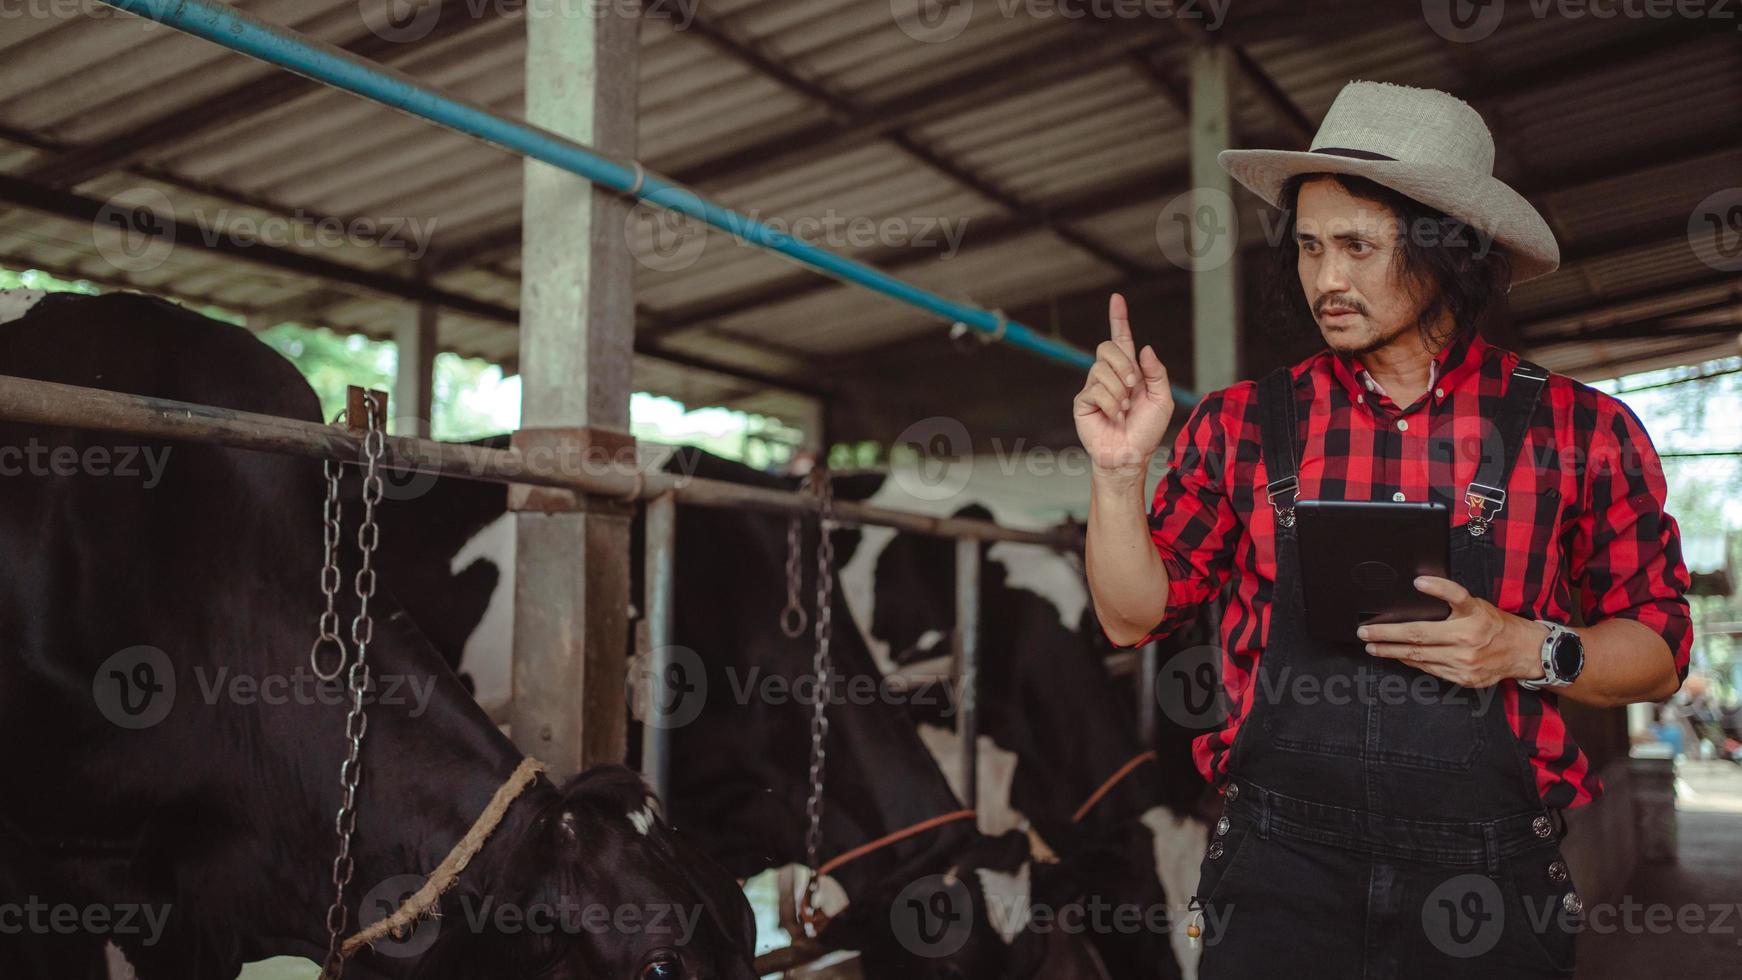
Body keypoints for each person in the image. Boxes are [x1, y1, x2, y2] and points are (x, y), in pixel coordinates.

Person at [1074, 81, 1692, 978]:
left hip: (1484, 883)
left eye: (1360, 247)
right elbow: (1133, 617)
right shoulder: (1242, 424)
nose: (1326, 279)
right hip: (1278, 872)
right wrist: (1119, 472)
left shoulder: (1582, 431)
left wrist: (1526, 649)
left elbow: (1662, 651)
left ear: (1452, 253)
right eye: (1313, 247)